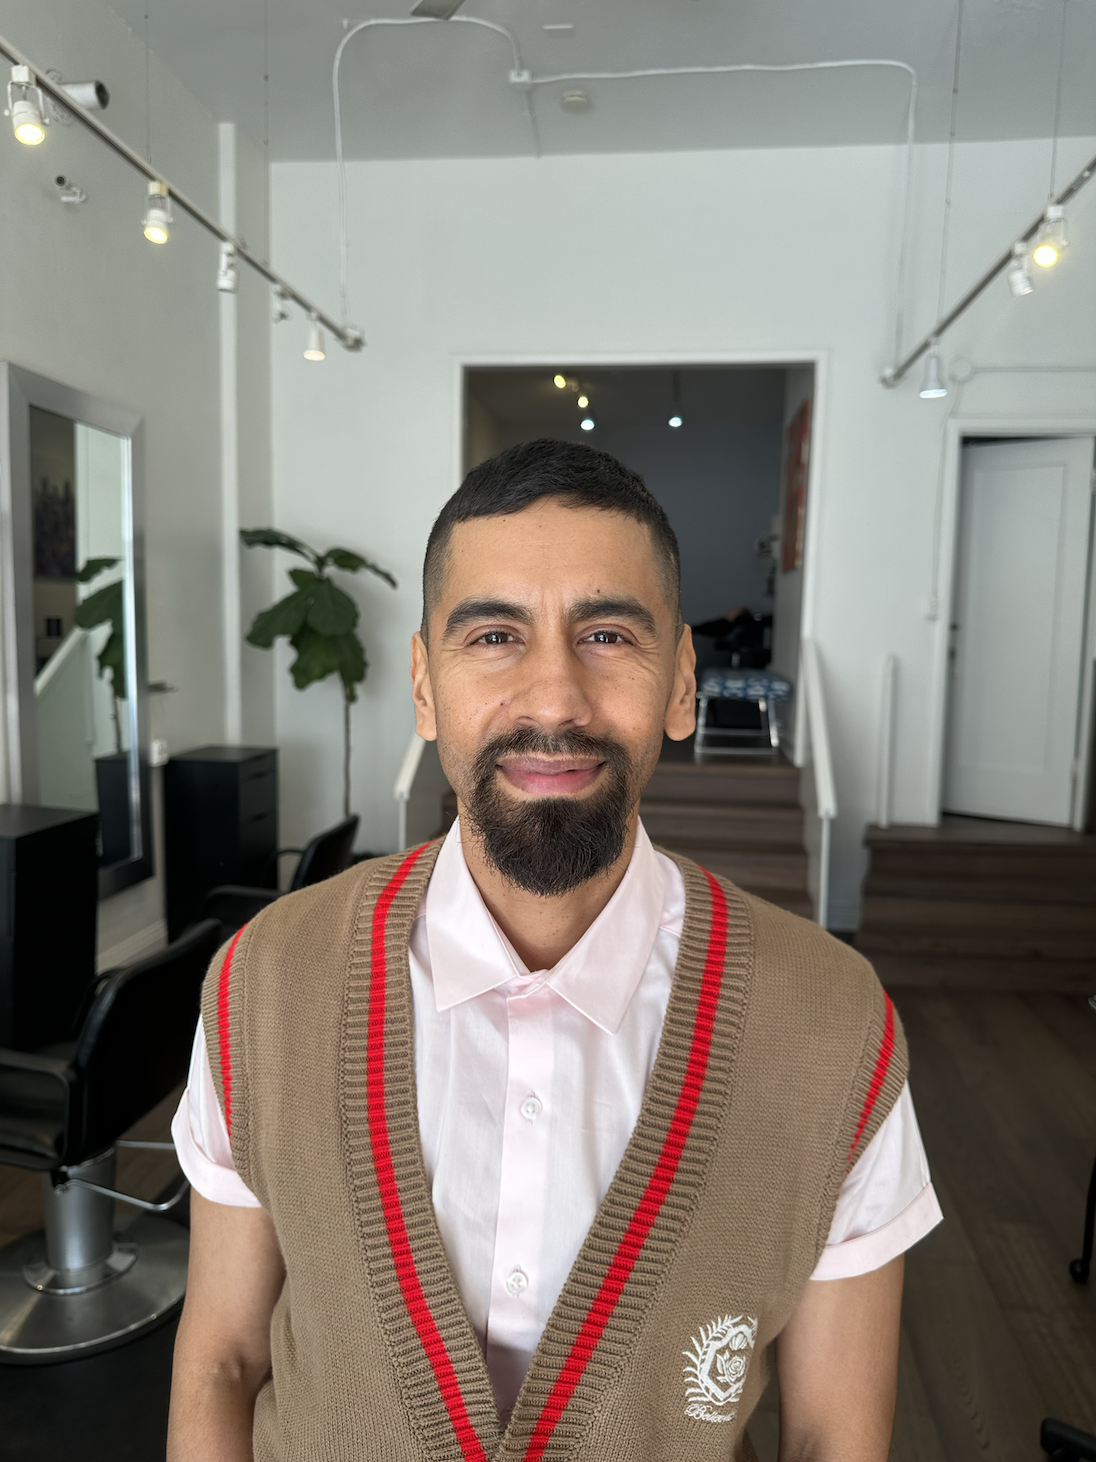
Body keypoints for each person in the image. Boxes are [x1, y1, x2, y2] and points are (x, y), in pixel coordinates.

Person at [167, 439, 941, 1462]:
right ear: (424, 684)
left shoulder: (832, 1026)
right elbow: (223, 1359)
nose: (552, 699)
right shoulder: (263, 983)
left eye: (608, 634)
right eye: (493, 634)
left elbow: (833, 1433)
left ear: (680, 684)